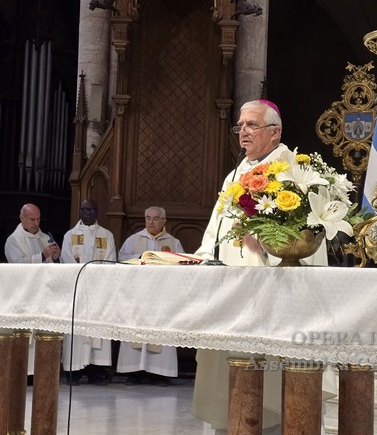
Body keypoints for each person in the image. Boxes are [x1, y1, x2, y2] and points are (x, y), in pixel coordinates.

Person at [192, 99, 336, 432]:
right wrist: (199, 259)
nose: (242, 132)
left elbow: (305, 241)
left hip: (271, 299)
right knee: (231, 395)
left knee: (274, 399)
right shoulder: (237, 172)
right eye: (240, 126)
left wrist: (271, 248)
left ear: (275, 132)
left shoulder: (290, 172)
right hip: (229, 295)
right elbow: (216, 232)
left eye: (251, 125)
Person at [116, 206, 184, 386]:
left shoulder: (173, 242)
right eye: (148, 218)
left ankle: (159, 373)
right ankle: (134, 371)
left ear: (164, 221)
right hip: (138, 294)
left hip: (162, 296)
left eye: (155, 218)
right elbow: (122, 259)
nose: (151, 222)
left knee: (160, 332)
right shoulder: (134, 240)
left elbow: (183, 265)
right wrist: (141, 258)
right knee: (136, 332)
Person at [60, 199, 117, 385]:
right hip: (78, 288)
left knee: (97, 331)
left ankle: (97, 371)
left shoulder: (106, 235)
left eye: (92, 210)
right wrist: (84, 275)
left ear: (97, 212)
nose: (88, 213)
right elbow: (66, 259)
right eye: (84, 209)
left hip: (98, 290)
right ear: (80, 211)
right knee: (77, 332)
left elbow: (110, 260)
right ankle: (74, 372)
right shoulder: (70, 235)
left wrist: (96, 277)